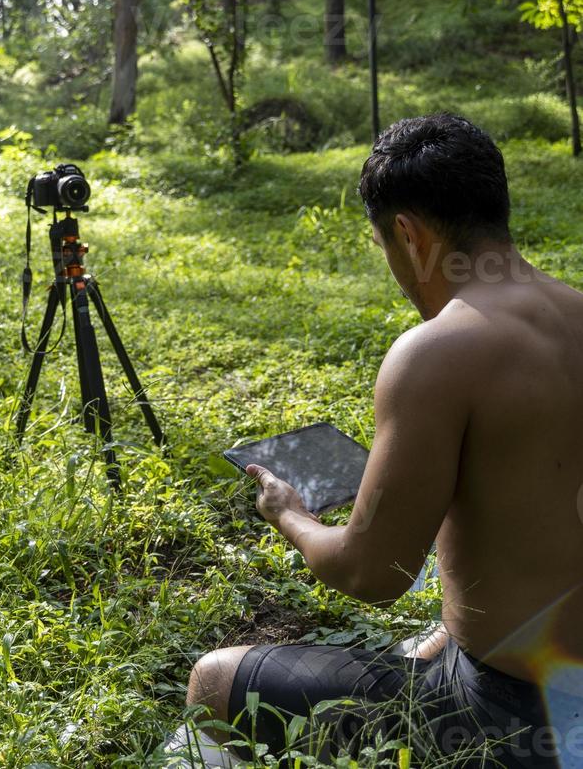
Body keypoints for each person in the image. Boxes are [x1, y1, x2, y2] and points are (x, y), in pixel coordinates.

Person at [185, 113, 583, 767]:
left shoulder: (436, 353)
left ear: (407, 234)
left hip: (517, 720)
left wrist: (290, 515)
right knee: (432, 639)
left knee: (214, 681)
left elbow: (371, 575)